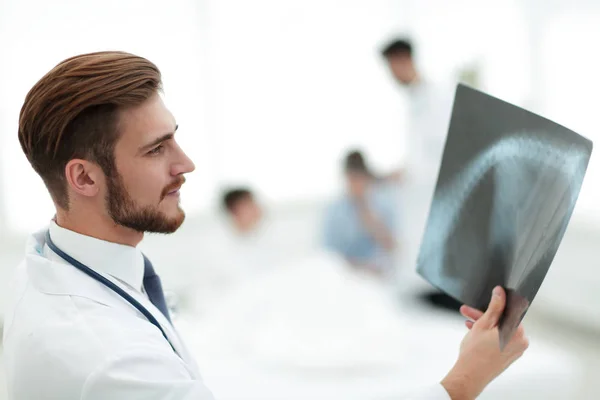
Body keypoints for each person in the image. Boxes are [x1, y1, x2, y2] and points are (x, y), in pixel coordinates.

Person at [2, 51, 528, 399]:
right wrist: (464, 380)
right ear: (84, 178)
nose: (186, 164)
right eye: (156, 148)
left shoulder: (55, 264)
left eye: (175, 138)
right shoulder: (110, 363)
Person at [322, 150, 402, 276]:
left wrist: (369, 217)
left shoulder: (383, 205)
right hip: (346, 277)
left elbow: (394, 248)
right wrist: (359, 268)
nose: (356, 185)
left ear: (366, 178)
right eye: (352, 179)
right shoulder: (334, 212)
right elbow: (327, 256)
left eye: (359, 178)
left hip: (379, 276)